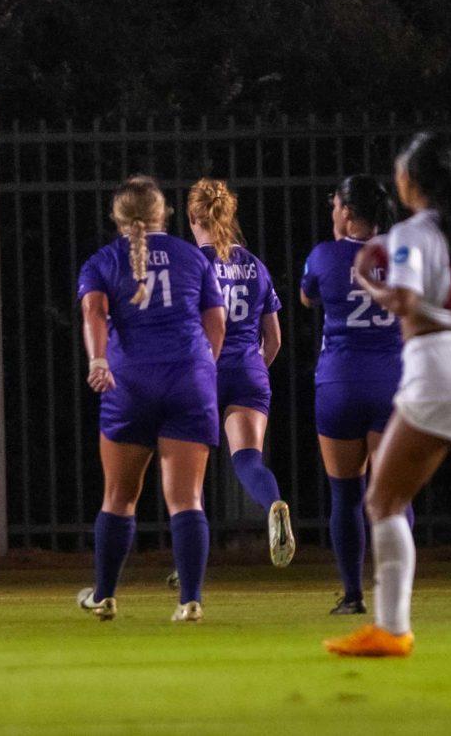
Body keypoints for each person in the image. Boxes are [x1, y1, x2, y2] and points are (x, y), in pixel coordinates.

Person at [75, 175, 225, 623]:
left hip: (131, 384)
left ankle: (104, 595)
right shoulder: (192, 258)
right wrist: (203, 368)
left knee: (118, 497)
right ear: (164, 214)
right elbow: (215, 321)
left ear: (117, 218)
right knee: (187, 498)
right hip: (188, 381)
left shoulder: (102, 261)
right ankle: (190, 599)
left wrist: (98, 359)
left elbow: (93, 311)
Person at [325, 133, 451, 657]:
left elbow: (404, 301)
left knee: (382, 498)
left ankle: (391, 629)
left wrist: (365, 279)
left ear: (410, 182)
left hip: (436, 366)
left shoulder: (412, 233)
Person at [300, 175, 401, 616]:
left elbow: (308, 298)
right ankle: (395, 593)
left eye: (334, 204)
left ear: (345, 210)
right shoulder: (403, 253)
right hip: (393, 381)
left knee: (345, 493)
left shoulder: (325, 254)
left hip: (340, 381)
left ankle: (352, 595)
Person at [186, 178, 294, 566]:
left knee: (188, 473)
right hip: (249, 371)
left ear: (193, 216)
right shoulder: (254, 265)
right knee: (248, 460)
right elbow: (275, 339)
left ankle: (188, 566)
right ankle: (275, 503)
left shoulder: (193, 265)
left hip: (204, 371)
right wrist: (252, 370)